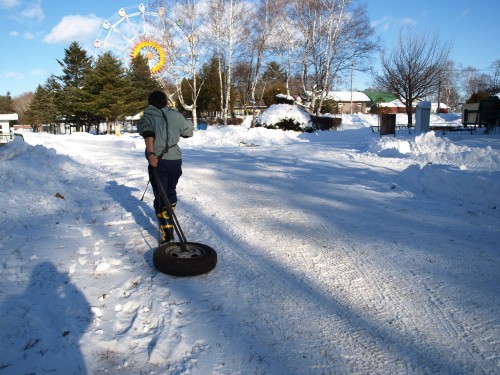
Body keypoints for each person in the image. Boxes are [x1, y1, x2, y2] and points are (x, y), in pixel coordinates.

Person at [137, 90, 193, 244]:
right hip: (175, 160)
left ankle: (167, 233)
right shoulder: (175, 115)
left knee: (161, 196)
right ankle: (168, 225)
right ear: (165, 102)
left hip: (158, 161)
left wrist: (150, 154)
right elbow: (188, 132)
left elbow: (148, 133)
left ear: (150, 103)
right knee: (170, 191)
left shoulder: (148, 116)